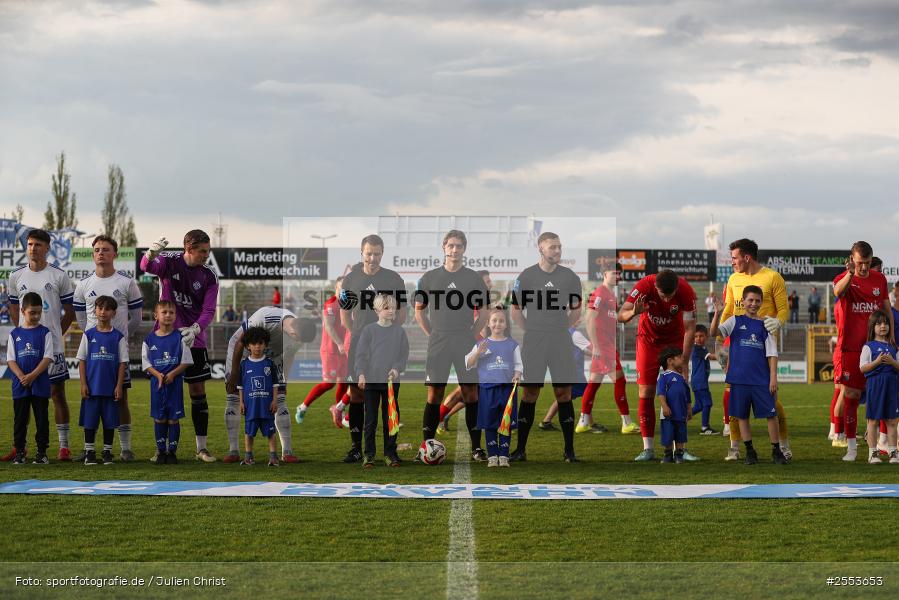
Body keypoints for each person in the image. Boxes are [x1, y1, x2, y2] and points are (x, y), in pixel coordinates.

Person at [139, 230, 219, 462]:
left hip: (193, 338)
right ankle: (161, 448)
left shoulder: (209, 276)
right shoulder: (170, 262)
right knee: (163, 392)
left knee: (198, 392)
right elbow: (146, 267)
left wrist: (196, 329)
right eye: (203, 251)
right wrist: (151, 254)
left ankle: (201, 448)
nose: (206, 255)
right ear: (189, 248)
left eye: (208, 250)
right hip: (165, 338)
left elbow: (209, 310)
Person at [415, 230, 489, 461]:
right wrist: (433, 334)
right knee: (434, 394)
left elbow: (485, 311)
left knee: (470, 393)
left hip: (464, 340)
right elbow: (419, 311)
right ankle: (426, 446)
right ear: (444, 247)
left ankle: (477, 447)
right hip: (439, 341)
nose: (454, 250)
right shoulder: (429, 278)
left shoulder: (473, 278)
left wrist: (471, 334)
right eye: (451, 246)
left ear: (464, 249)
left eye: (459, 246)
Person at [509, 232, 582, 463]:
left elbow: (576, 309)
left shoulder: (569, 277)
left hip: (560, 340)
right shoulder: (527, 276)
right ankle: (520, 450)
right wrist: (531, 329)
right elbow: (515, 310)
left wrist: (562, 329)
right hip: (535, 341)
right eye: (553, 247)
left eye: (560, 247)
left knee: (564, 393)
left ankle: (569, 451)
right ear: (541, 248)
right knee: (530, 393)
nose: (558, 251)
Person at [718, 238, 792, 462]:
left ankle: (783, 445)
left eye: (734, 258)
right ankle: (735, 446)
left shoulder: (772, 277)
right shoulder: (733, 279)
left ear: (746, 257)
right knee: (732, 398)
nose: (732, 262)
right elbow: (729, 309)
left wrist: (778, 323)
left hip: (763, 346)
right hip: (738, 344)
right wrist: (722, 342)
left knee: (772, 402)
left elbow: (783, 310)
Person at [6, 229, 75, 461]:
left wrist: (56, 334)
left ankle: (64, 446)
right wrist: (22, 333)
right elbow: (14, 306)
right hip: (25, 348)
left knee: (57, 394)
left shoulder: (59, 276)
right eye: (30, 244)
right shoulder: (16, 276)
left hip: (51, 348)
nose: (33, 248)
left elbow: (70, 311)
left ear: (47, 248)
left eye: (37, 244)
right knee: (23, 396)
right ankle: (20, 447)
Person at [73, 235, 143, 462]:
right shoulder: (83, 285)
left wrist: (118, 338)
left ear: (115, 253)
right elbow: (82, 321)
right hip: (94, 355)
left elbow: (136, 319)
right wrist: (95, 338)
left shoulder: (126, 282)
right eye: (96, 249)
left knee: (120, 399)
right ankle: (89, 447)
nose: (100, 253)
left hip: (115, 352)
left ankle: (125, 448)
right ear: (93, 254)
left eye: (105, 249)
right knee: (90, 398)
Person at [339, 235, 407, 463]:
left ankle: (390, 450)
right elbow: (344, 314)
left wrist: (390, 335)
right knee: (357, 394)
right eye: (369, 253)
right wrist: (356, 334)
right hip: (360, 343)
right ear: (361, 252)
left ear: (382, 253)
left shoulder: (394, 278)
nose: (373, 257)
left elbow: (402, 312)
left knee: (389, 397)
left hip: (386, 343)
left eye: (377, 253)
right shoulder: (350, 279)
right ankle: (357, 447)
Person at [618, 269, 697, 462]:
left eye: (671, 295)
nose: (667, 299)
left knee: (677, 392)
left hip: (673, 342)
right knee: (646, 392)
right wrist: (634, 313)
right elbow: (621, 315)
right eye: (663, 295)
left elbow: (690, 328)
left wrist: (685, 361)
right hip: (648, 341)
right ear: (655, 287)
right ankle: (648, 448)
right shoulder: (644, 286)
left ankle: (680, 449)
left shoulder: (686, 291)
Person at [711, 285, 787, 465]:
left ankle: (776, 451)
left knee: (771, 415)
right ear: (743, 302)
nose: (753, 304)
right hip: (738, 379)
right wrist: (717, 313)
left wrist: (773, 378)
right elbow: (713, 334)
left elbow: (772, 354)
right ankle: (750, 451)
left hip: (761, 380)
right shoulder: (734, 321)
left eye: (757, 301)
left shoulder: (765, 325)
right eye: (750, 300)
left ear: (761, 303)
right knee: (742, 416)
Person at [832, 241, 891, 461]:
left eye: (866, 263)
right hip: (851, 349)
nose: (864, 268)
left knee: (882, 394)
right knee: (852, 396)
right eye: (859, 263)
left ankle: (882, 445)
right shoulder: (844, 278)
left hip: (877, 347)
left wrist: (891, 339)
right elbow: (838, 291)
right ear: (851, 260)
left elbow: (885, 310)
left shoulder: (880, 279)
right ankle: (851, 448)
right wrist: (850, 274)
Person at [223, 306, 305, 463]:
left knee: (280, 397)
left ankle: (287, 451)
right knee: (233, 396)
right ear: (293, 332)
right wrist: (234, 375)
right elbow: (241, 342)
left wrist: (284, 380)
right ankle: (234, 450)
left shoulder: (301, 332)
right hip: (242, 349)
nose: (298, 342)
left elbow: (289, 355)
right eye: (297, 338)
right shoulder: (264, 317)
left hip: (272, 355)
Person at [578, 263, 637, 435]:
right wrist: (595, 345)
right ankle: (626, 422)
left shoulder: (611, 295)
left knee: (594, 383)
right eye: (613, 273)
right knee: (620, 380)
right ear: (604, 274)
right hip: (603, 347)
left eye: (619, 273)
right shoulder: (600, 293)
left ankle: (583, 422)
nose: (616, 276)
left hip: (607, 345)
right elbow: (589, 318)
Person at [354, 294, 409, 468]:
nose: (391, 310)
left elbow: (403, 355)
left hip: (391, 383)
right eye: (386, 308)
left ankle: (390, 454)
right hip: (371, 382)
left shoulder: (399, 331)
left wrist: (396, 368)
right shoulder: (369, 330)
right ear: (377, 310)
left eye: (393, 307)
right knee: (370, 419)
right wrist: (361, 373)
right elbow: (360, 355)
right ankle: (369, 455)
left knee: (391, 419)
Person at [437, 269, 494, 434]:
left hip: (477, 349)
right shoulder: (476, 301)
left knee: (473, 390)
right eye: (487, 281)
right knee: (466, 389)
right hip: (477, 350)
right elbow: (480, 327)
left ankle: (444, 417)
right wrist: (483, 348)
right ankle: (440, 417)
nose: (490, 283)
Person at [76, 295, 128, 466]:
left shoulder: (118, 337)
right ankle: (89, 452)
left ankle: (107, 452)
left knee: (109, 421)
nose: (103, 312)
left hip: (110, 388)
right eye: (100, 308)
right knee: (90, 421)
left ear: (114, 313)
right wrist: (83, 383)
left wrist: (119, 385)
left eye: (107, 309)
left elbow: (122, 363)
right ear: (95, 311)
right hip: (92, 387)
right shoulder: (88, 335)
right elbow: (82, 360)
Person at [466, 308, 521, 467]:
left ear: (506, 324)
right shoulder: (482, 344)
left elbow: (518, 365)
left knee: (506, 422)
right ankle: (492, 456)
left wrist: (517, 374)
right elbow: (469, 364)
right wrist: (477, 353)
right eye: (494, 320)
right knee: (489, 423)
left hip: (507, 390)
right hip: (487, 390)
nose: (498, 323)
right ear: (489, 324)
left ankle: (504, 456)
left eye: (501, 321)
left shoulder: (512, 344)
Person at [143, 300, 193, 465]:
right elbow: (146, 363)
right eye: (164, 312)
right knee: (159, 418)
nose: (168, 315)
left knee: (173, 419)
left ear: (175, 315)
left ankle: (171, 452)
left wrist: (172, 374)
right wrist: (158, 375)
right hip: (157, 385)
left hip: (174, 384)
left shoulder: (181, 337)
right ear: (156, 316)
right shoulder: (149, 339)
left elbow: (186, 361)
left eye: (171, 312)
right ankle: (161, 451)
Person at [6, 292, 53, 464]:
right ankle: (19, 452)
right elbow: (10, 359)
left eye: (39, 312)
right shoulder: (14, 334)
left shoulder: (45, 332)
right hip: (20, 384)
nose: (36, 316)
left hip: (39, 383)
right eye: (32, 312)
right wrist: (21, 376)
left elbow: (47, 357)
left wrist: (32, 375)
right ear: (22, 310)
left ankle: (42, 453)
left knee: (42, 419)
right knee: (20, 420)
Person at [298, 276, 349, 427]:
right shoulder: (330, 304)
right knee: (329, 384)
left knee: (344, 382)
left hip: (345, 350)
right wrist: (340, 343)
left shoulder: (350, 304)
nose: (344, 291)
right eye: (341, 287)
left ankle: (339, 411)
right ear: (336, 288)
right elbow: (329, 327)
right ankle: (303, 406)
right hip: (331, 351)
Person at [237, 327, 282, 467]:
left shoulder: (269, 363)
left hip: (266, 405)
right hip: (250, 406)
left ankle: (273, 457)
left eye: (260, 343)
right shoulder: (244, 364)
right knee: (249, 432)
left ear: (265, 345)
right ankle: (248, 457)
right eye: (254, 343)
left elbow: (275, 384)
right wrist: (241, 403)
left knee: (270, 432)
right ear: (248, 346)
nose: (257, 346)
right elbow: (241, 387)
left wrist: (275, 400)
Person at [860, 310, 899, 464]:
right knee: (873, 421)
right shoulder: (868, 347)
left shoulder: (893, 347)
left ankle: (893, 453)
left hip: (891, 386)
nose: (883, 326)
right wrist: (877, 362)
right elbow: (862, 368)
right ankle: (872, 454)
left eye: (885, 323)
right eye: (879, 323)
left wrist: (892, 362)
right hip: (875, 386)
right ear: (872, 327)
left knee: (891, 420)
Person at [656, 347, 692, 463]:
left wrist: (689, 408)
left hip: (681, 412)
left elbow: (687, 394)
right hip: (668, 413)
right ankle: (667, 455)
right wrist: (665, 406)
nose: (683, 359)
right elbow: (661, 393)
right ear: (670, 361)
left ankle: (679, 455)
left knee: (681, 433)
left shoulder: (682, 378)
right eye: (680, 357)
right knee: (668, 433)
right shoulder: (664, 377)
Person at [691, 323, 718, 435]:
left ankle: (681, 418)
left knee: (699, 406)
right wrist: (727, 355)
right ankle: (705, 428)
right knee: (707, 403)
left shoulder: (702, 348)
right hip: (700, 382)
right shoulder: (697, 348)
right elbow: (712, 357)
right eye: (696, 336)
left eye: (701, 336)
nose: (698, 339)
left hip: (697, 381)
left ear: (706, 336)